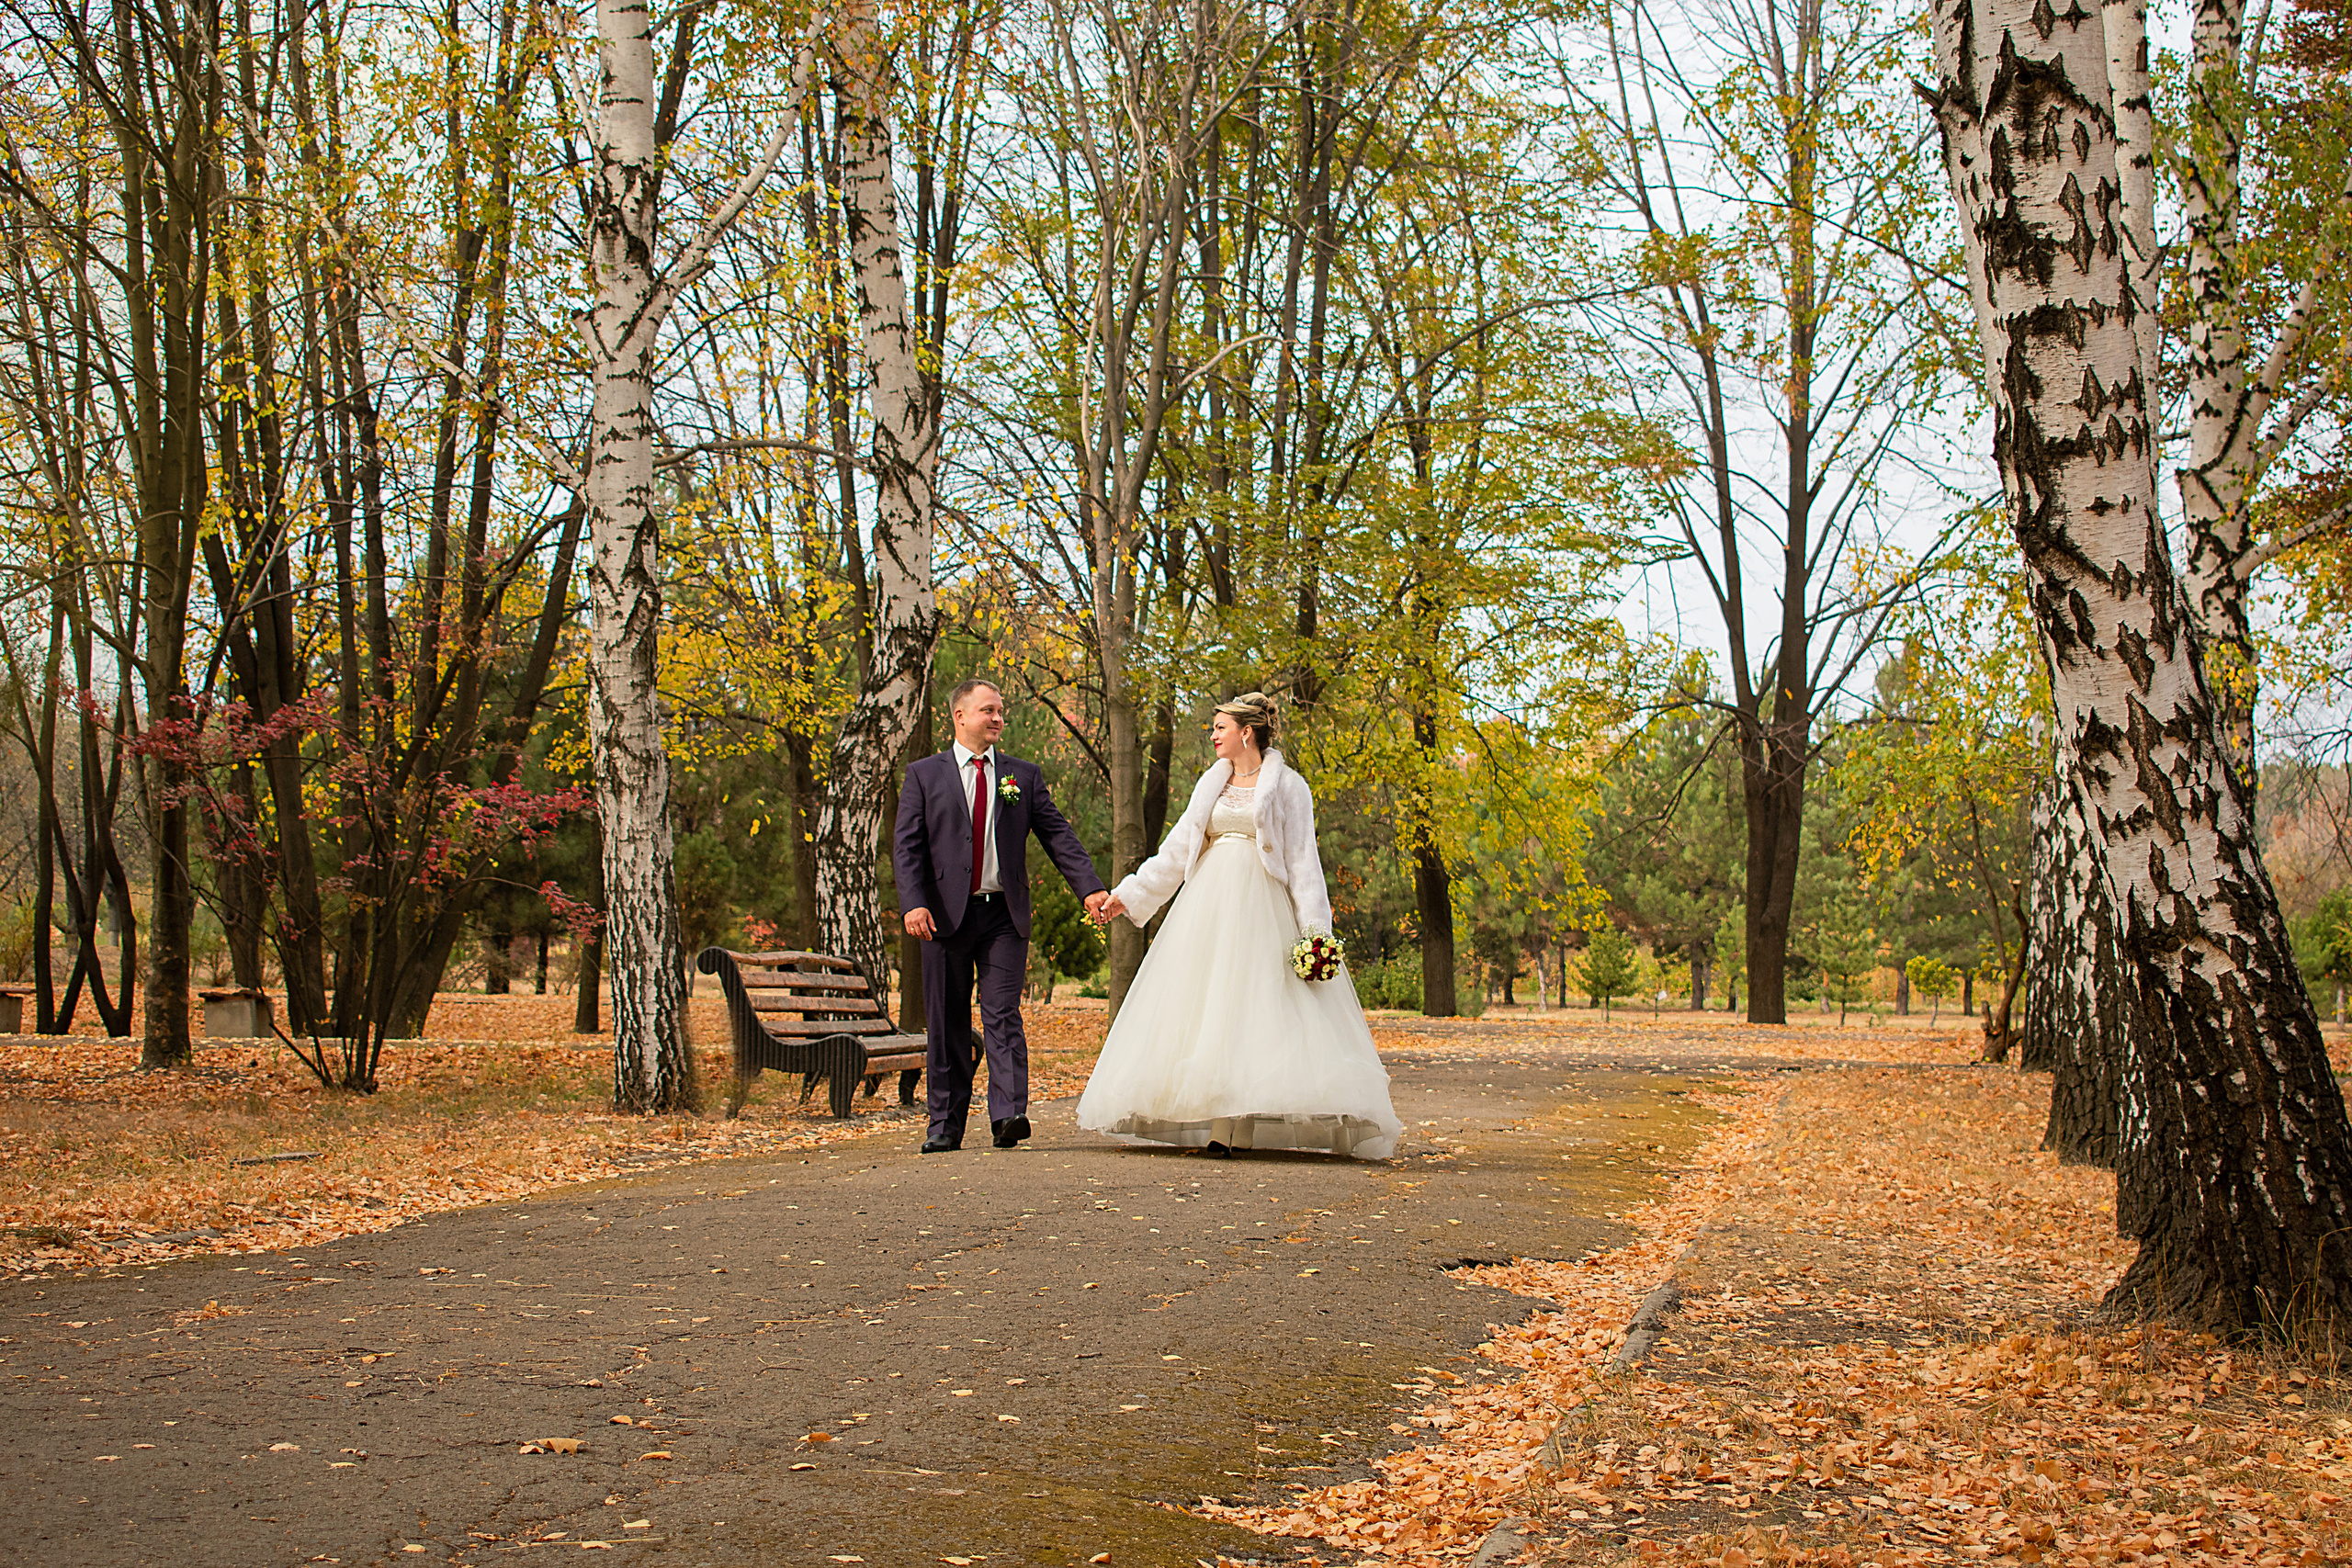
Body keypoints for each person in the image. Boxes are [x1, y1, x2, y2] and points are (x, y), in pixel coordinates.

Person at [1079, 692, 1402, 1159]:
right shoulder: (1210, 784)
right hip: (1208, 906)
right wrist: (1126, 896)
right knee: (1210, 1009)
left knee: (1256, 1008)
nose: (1212, 735)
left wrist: (1316, 934)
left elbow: (1303, 863)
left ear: (1245, 732)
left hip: (1263, 907)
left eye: (1219, 728)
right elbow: (1175, 850)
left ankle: (1238, 1126)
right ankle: (1218, 1121)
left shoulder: (1289, 786)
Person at [895, 678, 1109, 1153]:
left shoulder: (1021, 776)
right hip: (942, 920)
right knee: (947, 1019)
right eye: (988, 710)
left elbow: (1058, 835)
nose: (997, 718)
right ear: (960, 716)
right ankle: (944, 1124)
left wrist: (1090, 888)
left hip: (1003, 917)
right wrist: (913, 901)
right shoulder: (924, 776)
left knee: (1002, 1014)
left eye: (1001, 711)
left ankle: (1008, 1115)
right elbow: (906, 847)